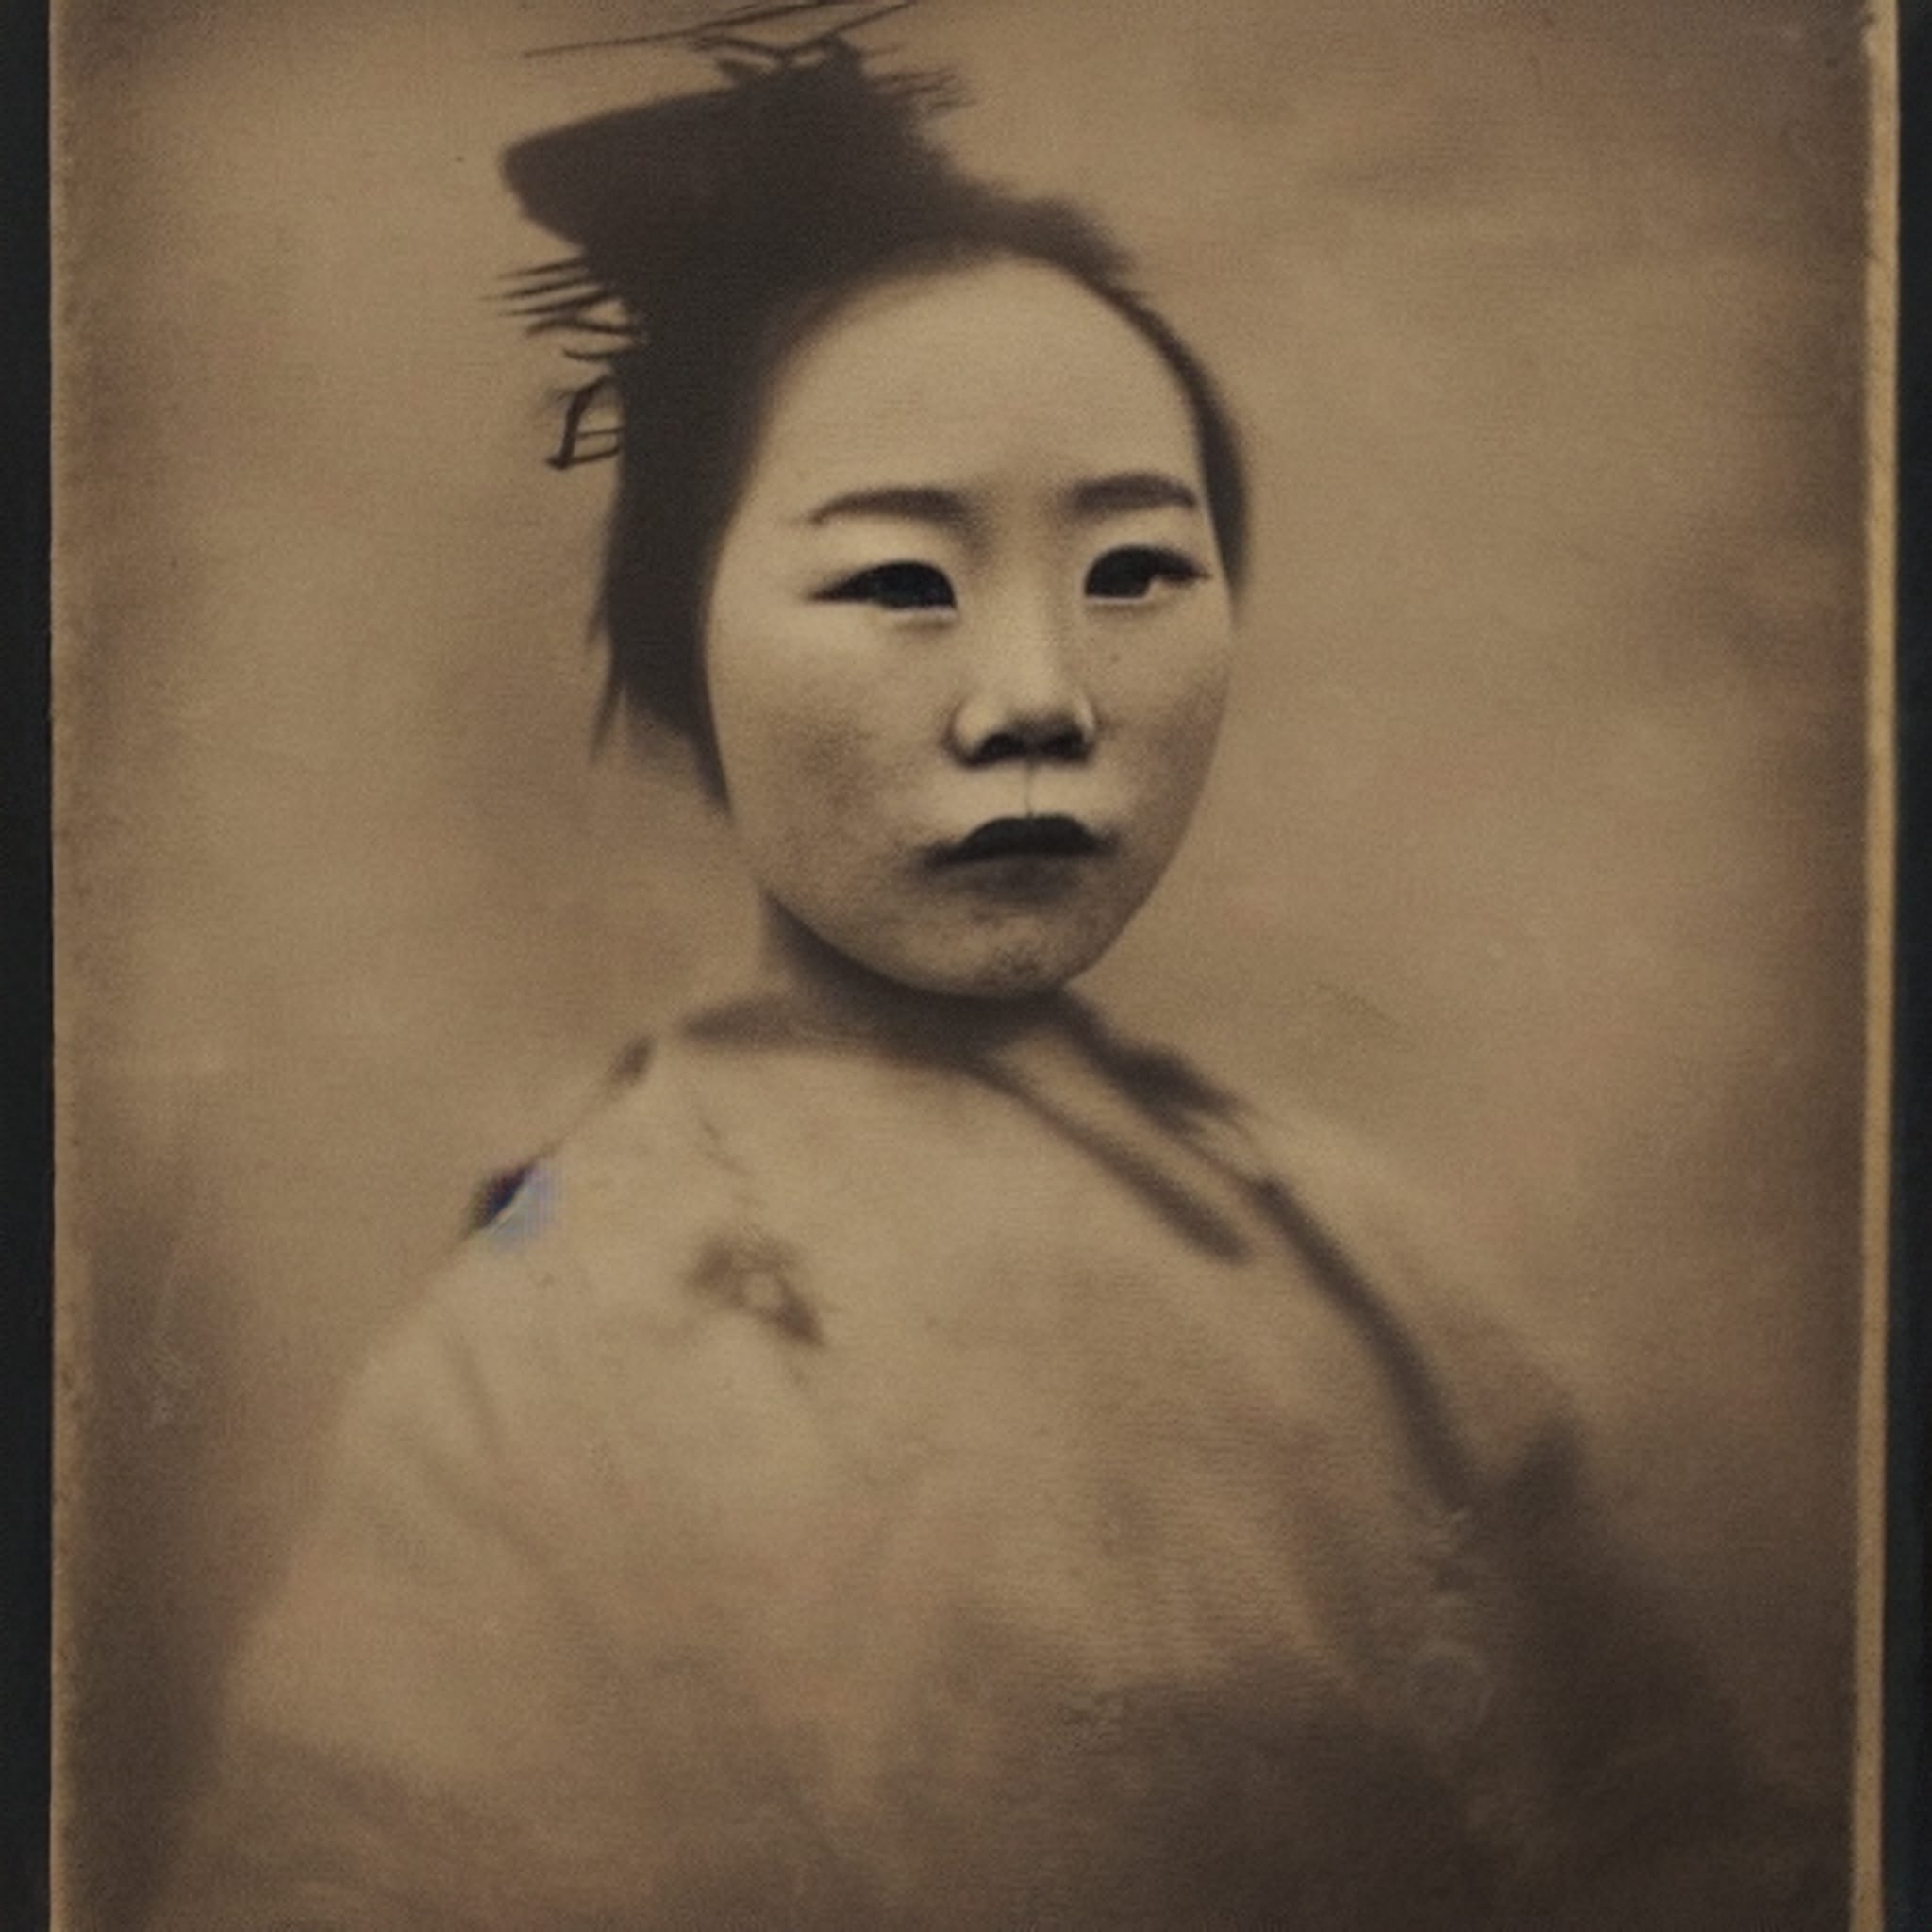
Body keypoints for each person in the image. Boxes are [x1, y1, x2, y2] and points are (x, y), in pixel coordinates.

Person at [150, 23, 1840, 1929]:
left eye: (1132, 568)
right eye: (895, 581)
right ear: (685, 643)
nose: (1038, 693)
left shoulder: (1349, 1253)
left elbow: (1675, 1827)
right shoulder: (542, 1339)